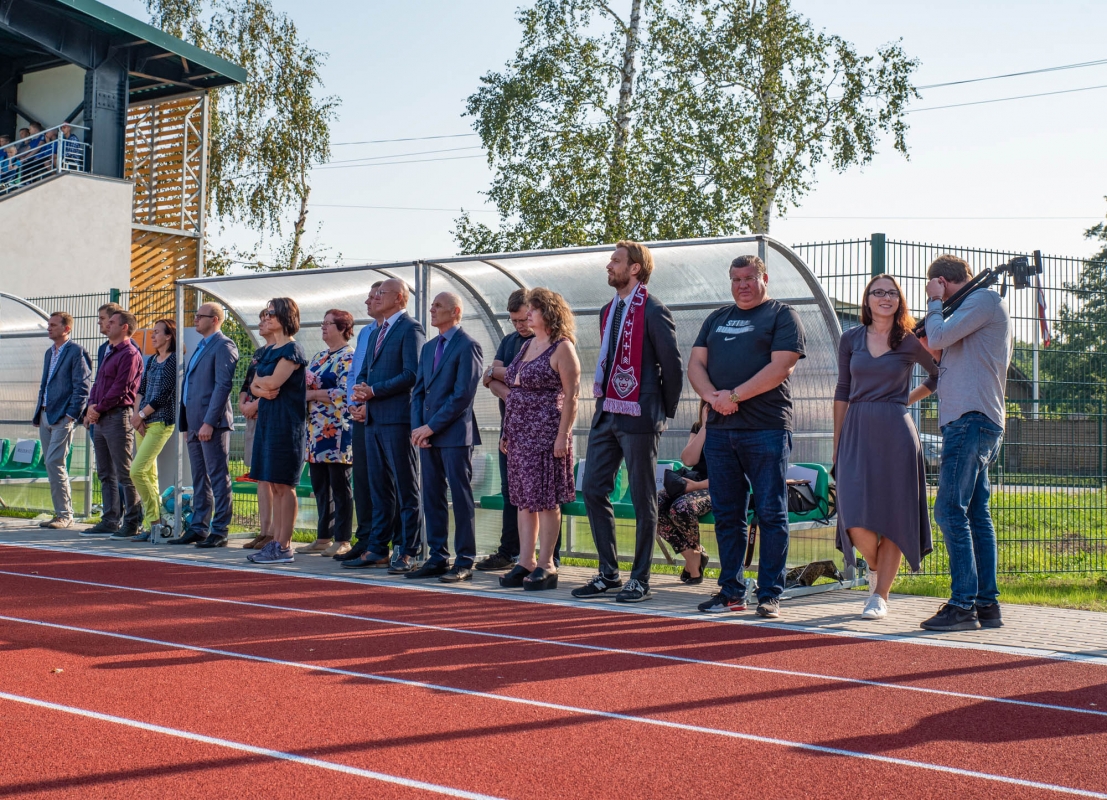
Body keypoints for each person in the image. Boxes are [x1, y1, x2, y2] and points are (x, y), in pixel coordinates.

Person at [688, 254, 806, 618]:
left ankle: (769, 593)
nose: (743, 284)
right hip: (722, 432)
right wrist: (711, 398)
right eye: (736, 278)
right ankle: (731, 592)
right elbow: (695, 364)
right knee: (727, 514)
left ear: (764, 278)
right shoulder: (717, 319)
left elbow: (781, 366)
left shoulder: (782, 315)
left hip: (766, 428)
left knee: (770, 512)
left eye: (750, 278)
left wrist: (734, 396)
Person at [572, 241, 683, 604]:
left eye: (616, 261)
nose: (609, 266)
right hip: (607, 413)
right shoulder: (607, 310)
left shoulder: (653, 310)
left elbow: (673, 367)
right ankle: (608, 573)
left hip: (640, 415)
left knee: (641, 497)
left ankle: (641, 579)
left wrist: (660, 413)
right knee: (592, 489)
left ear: (635, 268)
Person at [833, 275, 938, 619]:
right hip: (856, 430)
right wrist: (837, 445)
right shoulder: (850, 339)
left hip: (897, 433)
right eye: (878, 292)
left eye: (892, 293)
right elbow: (842, 391)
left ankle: (880, 595)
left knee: (895, 514)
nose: (885, 297)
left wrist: (903, 400)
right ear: (867, 300)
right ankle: (876, 566)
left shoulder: (908, 341)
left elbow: (937, 375)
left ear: (900, 301)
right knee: (852, 516)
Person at [919, 254, 1012, 632]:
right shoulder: (972, 309)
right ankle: (986, 605)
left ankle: (962, 605)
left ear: (941, 280)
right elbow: (937, 346)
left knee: (948, 511)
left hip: (971, 419)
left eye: (934, 285)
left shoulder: (982, 300)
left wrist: (933, 303)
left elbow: (938, 335)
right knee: (975, 514)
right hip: (971, 419)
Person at [499, 288, 580, 591]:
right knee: (523, 501)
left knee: (546, 501)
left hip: (546, 435)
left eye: (532, 309)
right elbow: (514, 387)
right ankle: (526, 560)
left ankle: (547, 564)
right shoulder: (527, 345)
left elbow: (572, 396)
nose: (527, 314)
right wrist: (508, 431)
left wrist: (563, 436)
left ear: (548, 312)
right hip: (519, 435)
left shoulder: (562, 348)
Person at [478, 288, 563, 570]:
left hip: (543, 429)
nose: (520, 325)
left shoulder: (555, 344)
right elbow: (490, 379)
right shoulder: (512, 342)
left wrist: (501, 376)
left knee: (546, 495)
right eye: (514, 321)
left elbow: (499, 373)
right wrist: (512, 391)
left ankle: (550, 556)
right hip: (513, 429)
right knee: (514, 493)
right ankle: (512, 552)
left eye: (524, 318)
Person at [407, 292, 484, 582]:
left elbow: (462, 395)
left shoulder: (468, 346)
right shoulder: (428, 348)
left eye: (438, 306)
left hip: (454, 435)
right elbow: (418, 392)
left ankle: (464, 560)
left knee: (460, 498)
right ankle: (438, 556)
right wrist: (419, 429)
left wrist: (431, 427)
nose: (432, 309)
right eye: (432, 305)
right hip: (427, 436)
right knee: (432, 496)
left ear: (456, 311)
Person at [351, 279, 426, 573]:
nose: (376, 298)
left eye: (382, 294)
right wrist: (360, 395)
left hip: (398, 419)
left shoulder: (411, 329)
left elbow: (412, 374)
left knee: (406, 487)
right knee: (379, 487)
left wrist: (374, 391)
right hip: (373, 419)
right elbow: (365, 372)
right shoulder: (376, 332)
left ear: (399, 298)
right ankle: (377, 547)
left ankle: (409, 550)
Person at [339, 282, 402, 564]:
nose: (369, 301)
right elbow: (357, 372)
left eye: (376, 295)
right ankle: (366, 539)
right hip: (362, 413)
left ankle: (393, 543)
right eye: (369, 296)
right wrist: (355, 403)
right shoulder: (368, 331)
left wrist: (368, 402)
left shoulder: (401, 330)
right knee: (364, 480)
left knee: (391, 482)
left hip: (382, 414)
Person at [169, 303, 239, 548]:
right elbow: (190, 386)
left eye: (201, 316)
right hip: (194, 423)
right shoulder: (201, 346)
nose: (195, 319)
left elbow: (222, 386)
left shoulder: (224, 345)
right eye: (195, 315)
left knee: (218, 476)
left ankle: (219, 530)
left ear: (216, 319)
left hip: (212, 424)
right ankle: (199, 527)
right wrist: (187, 422)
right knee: (199, 477)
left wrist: (209, 422)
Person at [248, 298, 308, 564]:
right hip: (268, 422)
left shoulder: (292, 350)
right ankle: (275, 542)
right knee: (273, 483)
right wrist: (260, 386)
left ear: (285, 316)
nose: (267, 317)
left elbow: (272, 382)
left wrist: (261, 384)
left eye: (272, 313)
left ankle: (283, 545)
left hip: (287, 426)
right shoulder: (268, 351)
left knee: (284, 485)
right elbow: (255, 387)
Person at [82, 309, 145, 538]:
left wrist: (97, 409)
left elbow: (121, 388)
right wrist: (91, 407)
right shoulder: (109, 351)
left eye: (111, 322)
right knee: (105, 472)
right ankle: (110, 519)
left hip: (118, 417)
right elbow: (98, 383)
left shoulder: (129, 353)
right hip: (100, 417)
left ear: (124, 326)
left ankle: (132, 522)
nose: (107, 325)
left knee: (124, 472)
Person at [298, 309, 355, 557]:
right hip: (315, 430)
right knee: (320, 485)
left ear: (343, 327)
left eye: (328, 323)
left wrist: (312, 394)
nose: (322, 327)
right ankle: (323, 536)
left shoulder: (349, 357)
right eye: (322, 323)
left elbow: (345, 392)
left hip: (338, 432)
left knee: (340, 486)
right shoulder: (319, 357)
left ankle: (343, 539)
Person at [33, 311, 91, 530]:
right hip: (46, 414)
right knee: (51, 465)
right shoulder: (50, 353)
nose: (49, 328)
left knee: (54, 462)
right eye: (49, 325)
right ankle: (60, 513)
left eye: (54, 325)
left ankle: (65, 515)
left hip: (62, 416)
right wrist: (39, 412)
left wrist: (71, 415)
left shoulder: (76, 352)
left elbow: (83, 387)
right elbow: (45, 383)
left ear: (67, 329)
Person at [130, 319, 178, 541]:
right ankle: (154, 527)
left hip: (160, 423)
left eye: (157, 332)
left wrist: (141, 415)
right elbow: (142, 389)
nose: (152, 335)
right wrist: (137, 416)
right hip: (144, 423)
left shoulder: (174, 360)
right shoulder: (151, 361)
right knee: (149, 474)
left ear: (168, 336)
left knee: (136, 471)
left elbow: (163, 396)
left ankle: (156, 522)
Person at [656, 401, 712, 584]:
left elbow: (735, 473)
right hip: (694, 481)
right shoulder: (698, 426)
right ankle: (693, 555)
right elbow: (688, 459)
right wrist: (704, 427)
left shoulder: (735, 426)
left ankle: (693, 562)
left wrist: (697, 487)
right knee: (653, 504)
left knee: (681, 507)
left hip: (719, 486)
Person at [239, 309, 274, 550]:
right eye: (260, 318)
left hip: (270, 417)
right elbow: (247, 382)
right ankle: (264, 531)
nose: (261, 323)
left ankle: (274, 533)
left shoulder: (285, 352)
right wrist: (243, 404)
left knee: (273, 478)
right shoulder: (259, 353)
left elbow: (275, 388)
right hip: (253, 416)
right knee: (260, 477)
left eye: (266, 318)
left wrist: (255, 404)